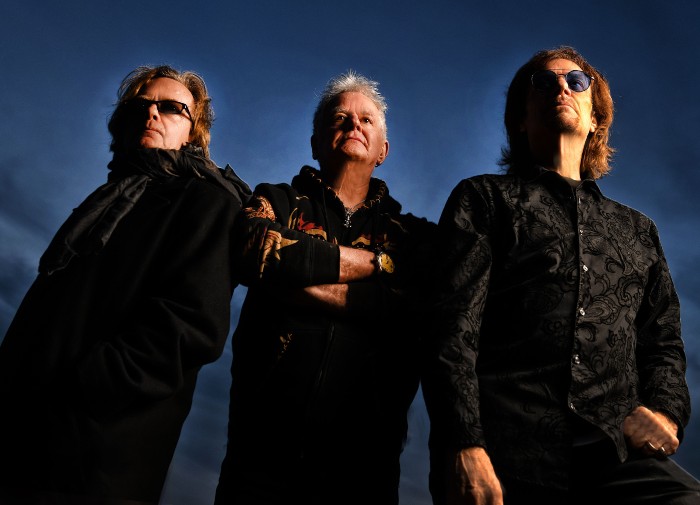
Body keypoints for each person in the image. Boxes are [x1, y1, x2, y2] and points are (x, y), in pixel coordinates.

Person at [423, 46, 700, 505]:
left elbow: (663, 341)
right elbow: (451, 331)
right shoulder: (484, 199)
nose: (560, 88)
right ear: (520, 120)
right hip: (507, 450)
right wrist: (464, 444)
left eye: (576, 81)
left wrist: (666, 413)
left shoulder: (638, 230)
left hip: (615, 452)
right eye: (543, 82)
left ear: (596, 120)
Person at [0, 65, 250, 504]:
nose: (152, 114)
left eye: (171, 108)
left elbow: (189, 325)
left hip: (97, 458)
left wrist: (82, 391)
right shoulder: (106, 200)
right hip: (22, 439)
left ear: (193, 133)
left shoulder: (208, 201)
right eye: (141, 106)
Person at [214, 70, 435, 504]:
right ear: (316, 143)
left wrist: (290, 282)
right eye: (339, 118)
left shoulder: (412, 236)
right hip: (259, 459)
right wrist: (379, 264)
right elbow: (254, 250)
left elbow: (413, 306)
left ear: (383, 151)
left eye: (366, 120)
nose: (353, 124)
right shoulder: (277, 201)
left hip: (365, 470)